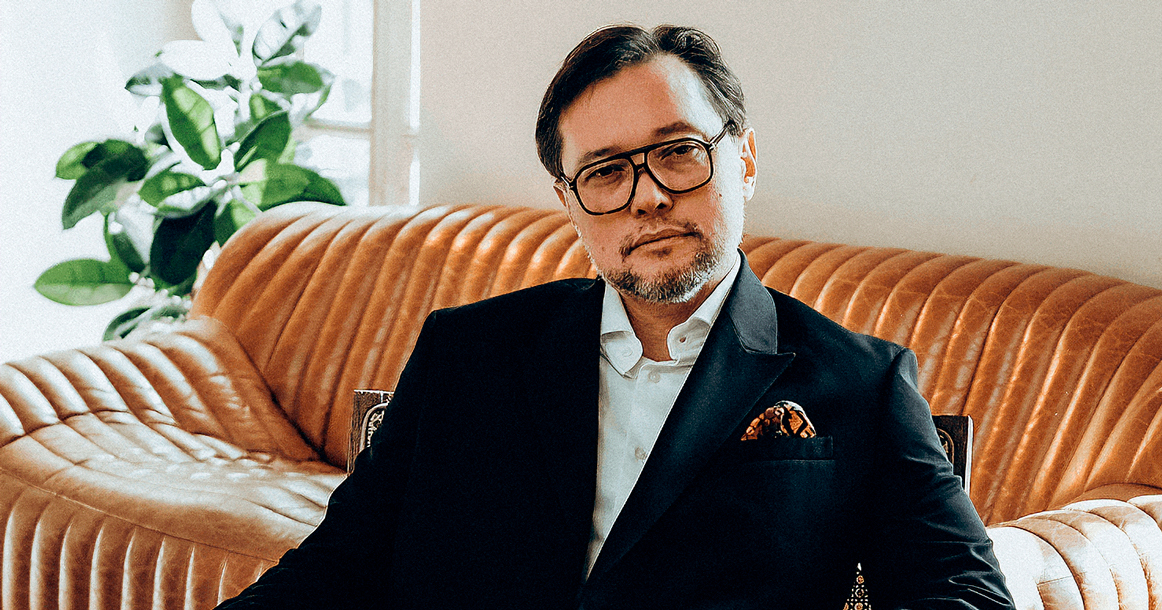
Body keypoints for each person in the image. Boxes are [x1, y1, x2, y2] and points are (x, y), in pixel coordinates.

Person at [217, 24, 1015, 609]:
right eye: (604, 172)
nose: (648, 196)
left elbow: (966, 594)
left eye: (678, 152)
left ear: (743, 159)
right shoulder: (467, 351)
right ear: (568, 201)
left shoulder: (860, 383)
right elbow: (338, 567)